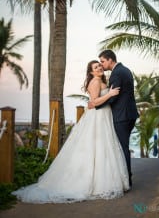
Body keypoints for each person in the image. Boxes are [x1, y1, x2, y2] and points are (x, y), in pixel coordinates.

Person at [12, 60, 130, 204]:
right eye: (95, 67)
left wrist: (109, 94)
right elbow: (94, 102)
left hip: (104, 117)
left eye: (99, 65)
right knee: (96, 146)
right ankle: (92, 184)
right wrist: (110, 94)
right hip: (97, 117)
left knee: (103, 148)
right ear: (91, 72)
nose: (99, 68)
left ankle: (102, 181)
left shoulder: (101, 80)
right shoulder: (94, 82)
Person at [90, 50, 139, 187]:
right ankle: (124, 178)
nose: (101, 64)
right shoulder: (126, 70)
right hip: (130, 114)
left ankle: (126, 180)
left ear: (110, 60)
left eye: (103, 61)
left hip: (121, 116)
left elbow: (114, 96)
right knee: (122, 146)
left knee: (122, 148)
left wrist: (96, 106)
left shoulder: (116, 73)